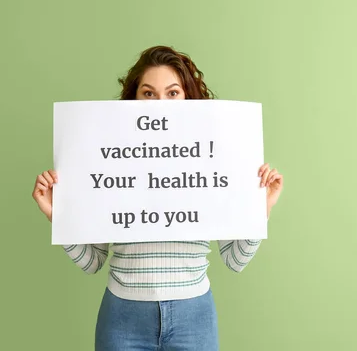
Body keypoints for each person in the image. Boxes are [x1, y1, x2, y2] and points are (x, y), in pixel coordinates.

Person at [31, 45, 284, 351]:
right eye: (149, 93)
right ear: (133, 100)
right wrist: (57, 214)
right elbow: (92, 261)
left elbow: (235, 258)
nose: (160, 104)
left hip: (195, 317)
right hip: (122, 318)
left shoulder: (215, 159)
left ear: (188, 98)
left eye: (173, 92)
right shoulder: (109, 160)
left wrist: (262, 207)